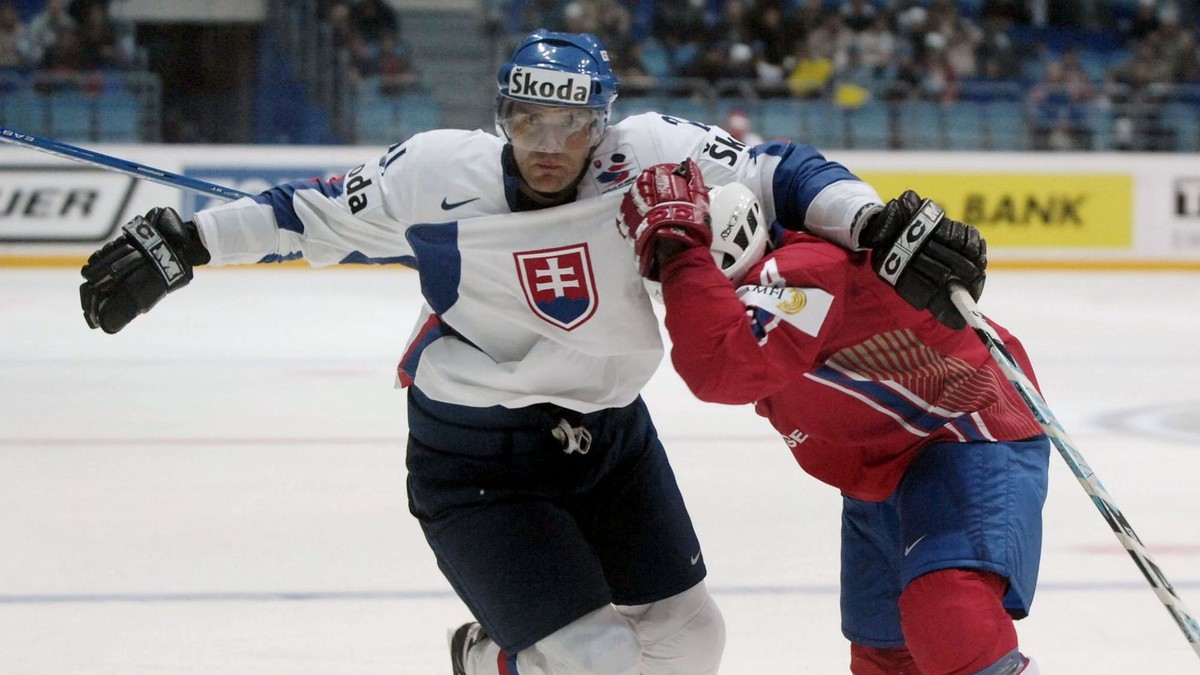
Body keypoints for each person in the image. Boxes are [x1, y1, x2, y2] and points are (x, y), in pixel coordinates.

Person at [76, 29, 987, 675]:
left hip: (613, 441)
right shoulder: (434, 174)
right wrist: (184, 244)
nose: (549, 145)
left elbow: (783, 168)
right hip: (477, 461)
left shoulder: (654, 153)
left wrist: (870, 219)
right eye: (528, 122)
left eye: (571, 124)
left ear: (604, 120)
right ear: (503, 115)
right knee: (596, 661)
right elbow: (302, 213)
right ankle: (497, 656)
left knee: (691, 645)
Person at [617, 160, 1049, 675]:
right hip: (877, 468)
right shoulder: (774, 271)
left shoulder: (802, 272)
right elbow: (776, 157)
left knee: (949, 616)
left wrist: (679, 249)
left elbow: (724, 370)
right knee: (886, 653)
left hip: (963, 432)